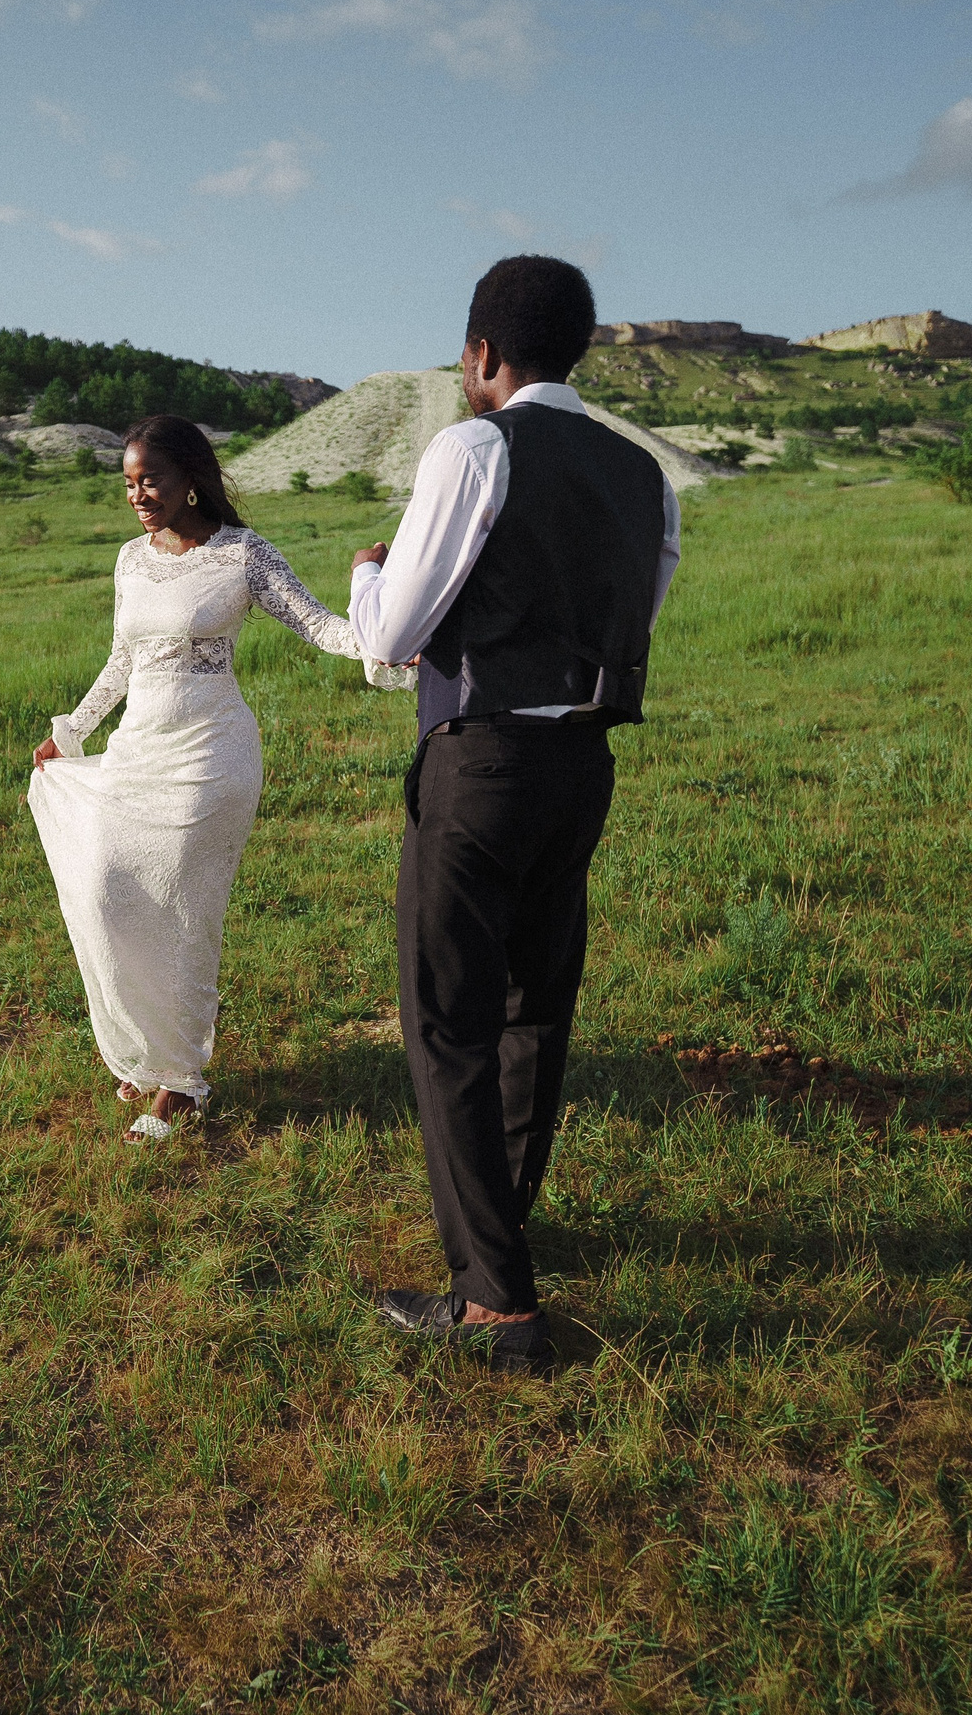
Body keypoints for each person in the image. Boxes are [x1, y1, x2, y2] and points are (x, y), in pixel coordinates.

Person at [347, 255, 682, 1374]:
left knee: (449, 1022)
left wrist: (366, 577)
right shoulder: (646, 476)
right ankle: (502, 1230)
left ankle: (494, 1300)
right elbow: (641, 605)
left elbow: (394, 637)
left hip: (482, 763)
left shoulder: (472, 446)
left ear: (483, 353)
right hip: (584, 760)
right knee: (537, 1009)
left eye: (463, 353)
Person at [29, 415, 399, 1144]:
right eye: (129, 483)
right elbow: (121, 661)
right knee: (106, 892)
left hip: (210, 758)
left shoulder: (242, 555)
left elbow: (317, 624)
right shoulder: (130, 561)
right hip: (139, 753)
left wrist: (383, 626)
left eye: (152, 480)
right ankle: (146, 1054)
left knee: (185, 914)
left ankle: (181, 1086)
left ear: (191, 479)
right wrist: (70, 731)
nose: (138, 495)